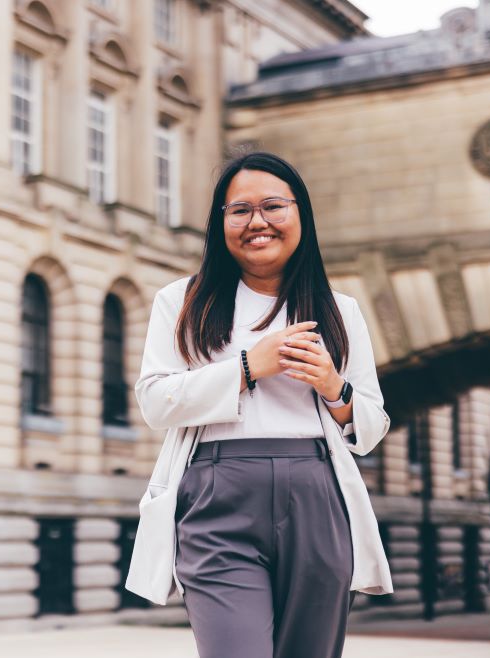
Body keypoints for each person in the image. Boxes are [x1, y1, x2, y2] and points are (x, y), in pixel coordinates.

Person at [133, 152, 392, 658]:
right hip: (215, 493)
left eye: (273, 206)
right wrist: (250, 367)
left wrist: (334, 388)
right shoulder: (181, 302)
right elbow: (154, 402)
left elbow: (373, 425)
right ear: (220, 223)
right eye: (239, 210)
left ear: (301, 216)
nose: (257, 222)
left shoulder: (340, 311)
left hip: (317, 494)